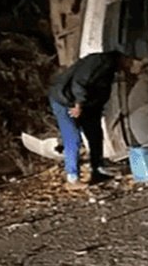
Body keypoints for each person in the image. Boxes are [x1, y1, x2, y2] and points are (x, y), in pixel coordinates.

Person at [49, 50, 140, 189]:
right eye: (130, 62)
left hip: (86, 104)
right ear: (124, 58)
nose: (131, 66)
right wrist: (78, 104)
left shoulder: (110, 68)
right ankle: (72, 178)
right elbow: (79, 83)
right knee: (73, 138)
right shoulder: (101, 62)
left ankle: (97, 170)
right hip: (66, 100)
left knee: (95, 135)